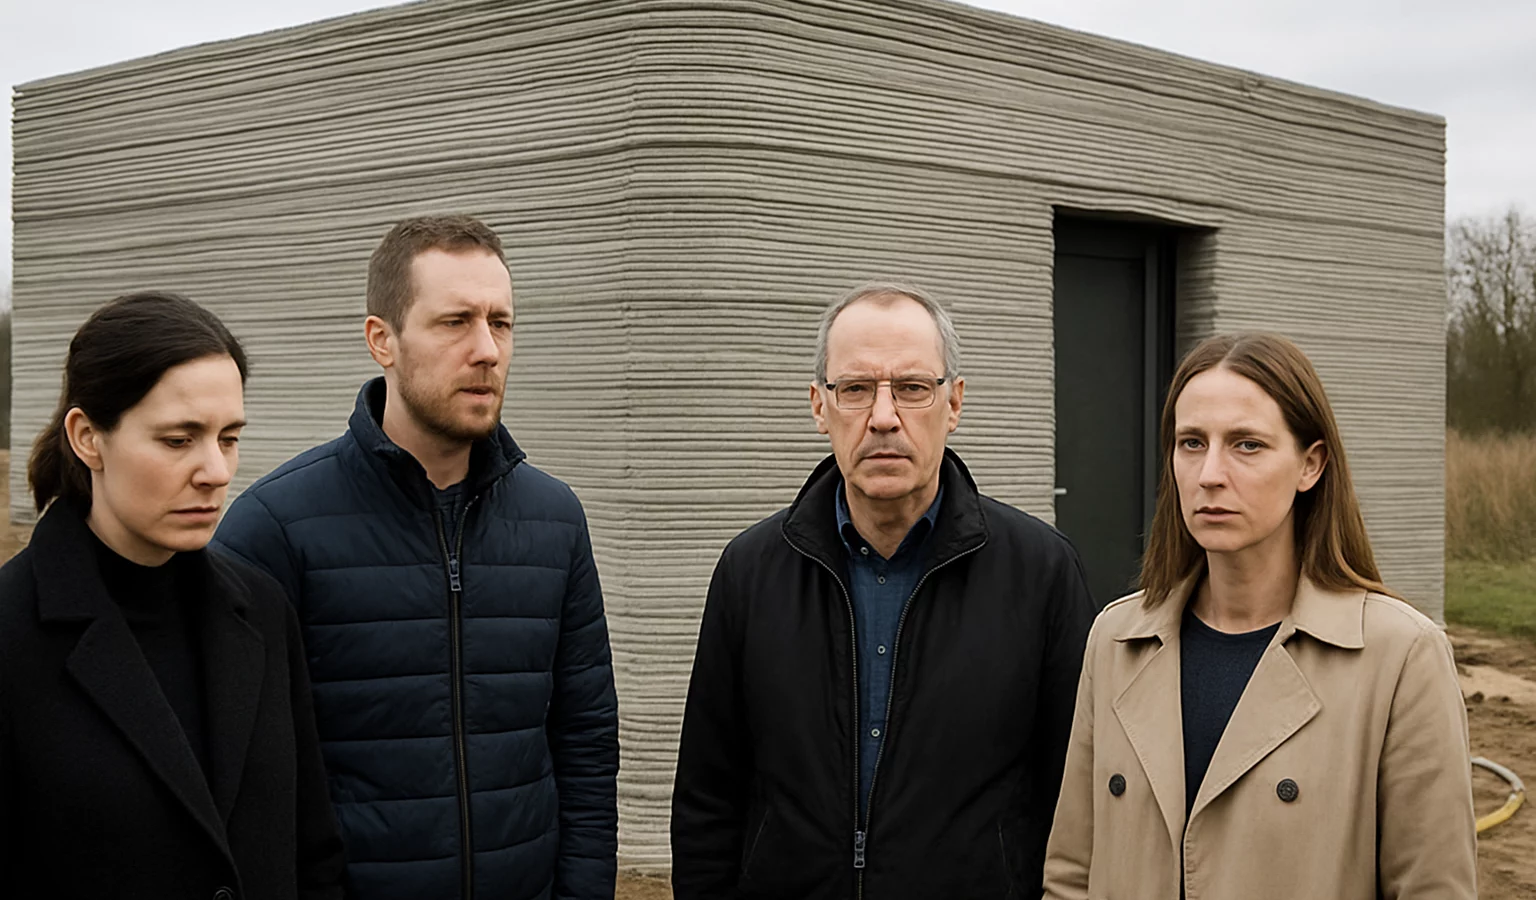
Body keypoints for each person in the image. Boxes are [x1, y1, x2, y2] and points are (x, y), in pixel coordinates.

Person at [214, 214, 619, 900]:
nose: (486, 350)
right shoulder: (275, 528)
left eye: (501, 322)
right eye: (455, 322)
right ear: (383, 340)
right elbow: (244, 781)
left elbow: (586, 740)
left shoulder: (555, 521)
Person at [670, 282, 1097, 899]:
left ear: (954, 403)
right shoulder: (750, 572)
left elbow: (1077, 801)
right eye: (856, 389)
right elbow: (708, 798)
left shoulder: (1042, 572)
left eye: (913, 388)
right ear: (820, 406)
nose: (884, 416)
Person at [1042, 332, 1477, 899]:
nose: (1210, 473)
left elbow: (1433, 887)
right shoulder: (1116, 640)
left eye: (1246, 445)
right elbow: (1071, 874)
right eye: (1191, 443)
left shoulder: (1400, 657)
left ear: (1310, 465)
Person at [0, 291, 345, 899]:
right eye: (179, 440)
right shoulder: (10, 630)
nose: (216, 471)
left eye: (228, 437)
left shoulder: (262, 611)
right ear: (87, 437)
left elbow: (312, 849)